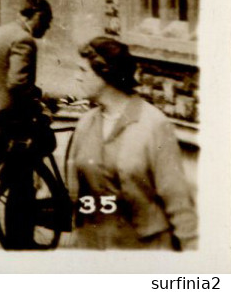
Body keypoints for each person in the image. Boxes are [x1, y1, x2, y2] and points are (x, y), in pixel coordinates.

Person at [66, 37, 197, 251]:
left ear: (104, 73)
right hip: (94, 247)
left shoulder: (154, 125)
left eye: (83, 71)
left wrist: (194, 254)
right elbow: (76, 194)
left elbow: (177, 198)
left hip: (145, 249)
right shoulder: (85, 123)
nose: (76, 77)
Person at [0, 0, 53, 189]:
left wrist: (39, 93)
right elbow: (17, 83)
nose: (47, 28)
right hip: (4, 120)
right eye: (47, 21)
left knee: (0, 171)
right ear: (37, 16)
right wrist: (39, 104)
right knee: (19, 178)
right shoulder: (24, 39)